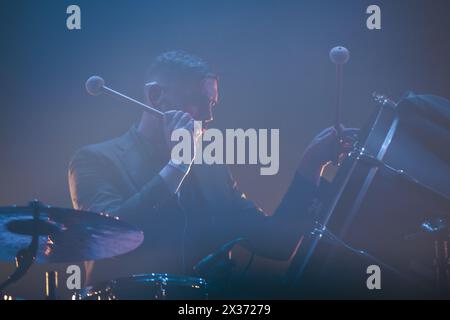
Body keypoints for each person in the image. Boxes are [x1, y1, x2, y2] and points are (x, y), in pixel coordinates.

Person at [68, 50, 355, 291]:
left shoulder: (212, 170)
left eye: (213, 104)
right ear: (156, 96)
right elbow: (111, 237)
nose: (209, 117)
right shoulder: (95, 161)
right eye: (199, 102)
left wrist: (310, 166)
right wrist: (178, 164)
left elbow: (276, 244)